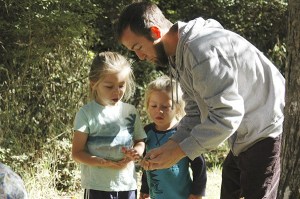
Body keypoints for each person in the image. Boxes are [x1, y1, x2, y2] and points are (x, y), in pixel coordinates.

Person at [115, 2, 285, 199]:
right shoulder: (179, 56)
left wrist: (179, 152)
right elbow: (196, 112)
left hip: (268, 132)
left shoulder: (200, 50)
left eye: (138, 47)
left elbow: (227, 115)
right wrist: (171, 144)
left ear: (154, 32)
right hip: (244, 138)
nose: (140, 57)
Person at [72, 51, 147, 199]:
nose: (117, 92)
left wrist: (137, 152)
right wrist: (103, 163)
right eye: (109, 86)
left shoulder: (130, 111)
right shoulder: (86, 113)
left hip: (127, 185)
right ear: (94, 84)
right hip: (97, 186)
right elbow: (77, 153)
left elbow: (140, 141)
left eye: (121, 85)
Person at [139, 75, 206, 199]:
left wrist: (197, 193)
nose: (159, 111)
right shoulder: (147, 132)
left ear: (178, 107)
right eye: (154, 106)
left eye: (165, 107)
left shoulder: (184, 133)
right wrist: (145, 188)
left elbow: (199, 165)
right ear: (147, 106)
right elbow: (147, 164)